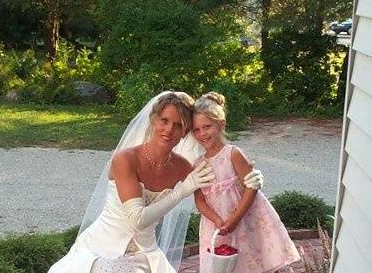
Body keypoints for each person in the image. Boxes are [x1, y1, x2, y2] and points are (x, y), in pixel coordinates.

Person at [48, 91, 263, 273]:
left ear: (185, 132)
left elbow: (223, 179)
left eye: (178, 126)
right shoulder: (125, 159)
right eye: (164, 121)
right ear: (153, 120)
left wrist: (252, 180)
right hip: (101, 249)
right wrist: (182, 190)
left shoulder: (183, 167)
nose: (169, 130)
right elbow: (137, 220)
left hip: (146, 254)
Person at [191, 92, 300, 273]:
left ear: (221, 125)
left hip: (243, 219)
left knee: (247, 262)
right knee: (220, 265)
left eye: (207, 126)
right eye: (196, 129)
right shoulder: (198, 163)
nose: (202, 133)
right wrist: (217, 220)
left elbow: (251, 187)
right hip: (215, 225)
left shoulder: (232, 154)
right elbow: (200, 199)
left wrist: (234, 220)